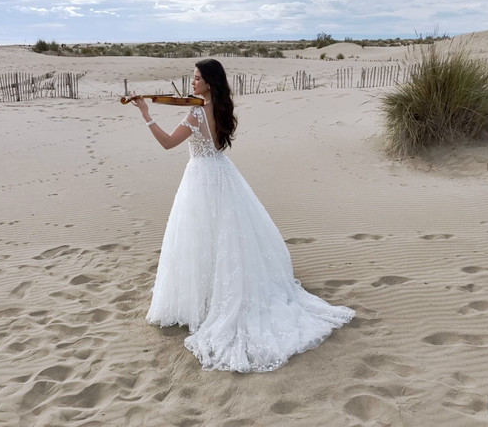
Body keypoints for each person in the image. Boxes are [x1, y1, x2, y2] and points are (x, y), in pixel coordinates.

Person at [132, 59, 354, 372]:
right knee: (226, 234)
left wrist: (146, 116)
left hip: (200, 178)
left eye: (197, 78)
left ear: (209, 82)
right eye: (193, 78)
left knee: (202, 235)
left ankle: (206, 300)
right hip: (223, 173)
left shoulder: (196, 111)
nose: (192, 82)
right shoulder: (220, 107)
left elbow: (169, 143)